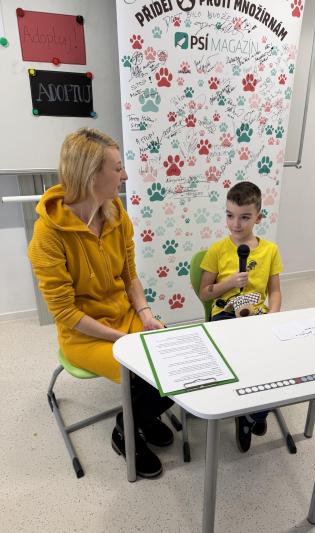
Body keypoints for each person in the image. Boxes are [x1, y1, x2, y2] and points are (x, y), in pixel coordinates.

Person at [28, 127, 174, 478]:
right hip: (83, 334)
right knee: (140, 372)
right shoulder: (47, 235)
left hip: (123, 316)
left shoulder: (115, 214)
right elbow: (66, 312)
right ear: (91, 175)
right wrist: (121, 340)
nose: (125, 175)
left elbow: (130, 275)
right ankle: (127, 431)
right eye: (117, 168)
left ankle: (135, 417)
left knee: (173, 358)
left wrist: (145, 314)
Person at [199, 181, 283, 452]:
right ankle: (250, 413)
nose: (235, 224)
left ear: (258, 217)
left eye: (245, 217)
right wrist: (229, 283)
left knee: (276, 363)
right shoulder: (217, 250)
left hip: (258, 316)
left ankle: (252, 413)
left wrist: (272, 315)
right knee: (243, 360)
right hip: (225, 317)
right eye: (230, 215)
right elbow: (205, 293)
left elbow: (275, 291)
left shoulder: (270, 250)